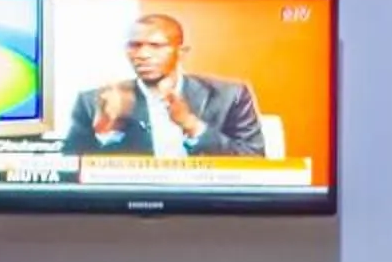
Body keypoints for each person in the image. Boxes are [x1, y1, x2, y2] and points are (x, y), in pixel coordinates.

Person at [62, 12, 265, 158]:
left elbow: (255, 160)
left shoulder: (229, 96)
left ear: (181, 52)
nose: (142, 55)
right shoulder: (92, 102)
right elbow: (67, 172)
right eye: (134, 46)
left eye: (156, 46)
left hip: (207, 207)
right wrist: (108, 129)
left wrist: (191, 125)